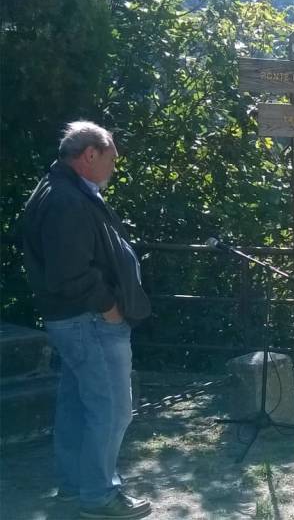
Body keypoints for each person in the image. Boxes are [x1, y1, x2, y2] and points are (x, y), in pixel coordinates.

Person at [21, 121, 152, 519]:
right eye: (111, 157)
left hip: (76, 320)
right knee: (112, 409)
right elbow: (70, 272)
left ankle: (75, 487)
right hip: (90, 321)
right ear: (90, 155)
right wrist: (109, 307)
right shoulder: (66, 198)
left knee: (79, 406)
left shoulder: (58, 189)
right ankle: (98, 495)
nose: (115, 166)